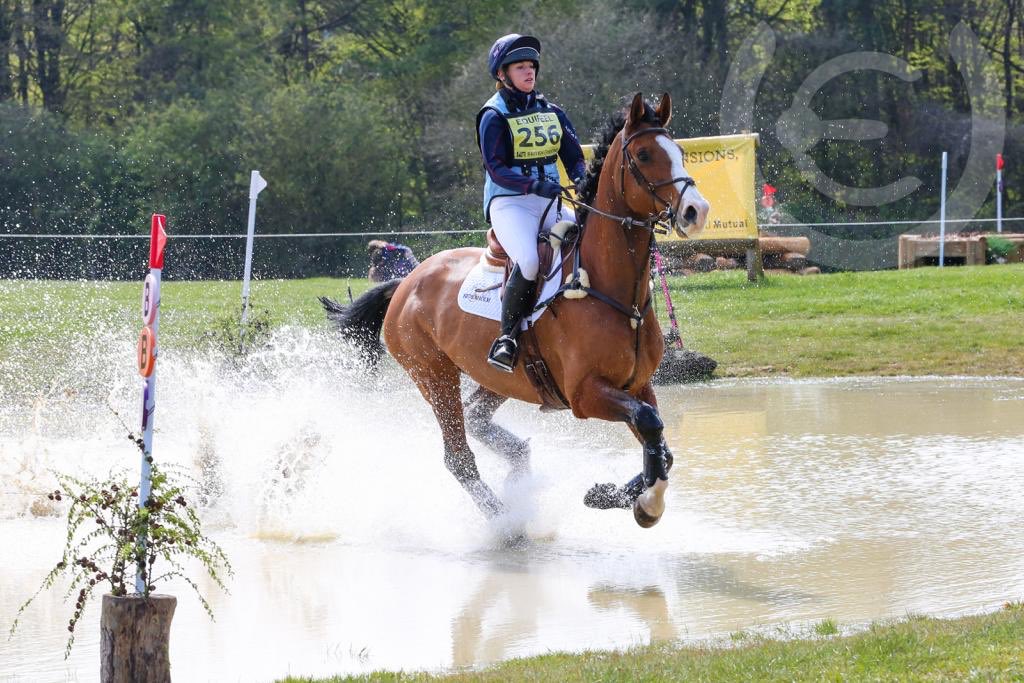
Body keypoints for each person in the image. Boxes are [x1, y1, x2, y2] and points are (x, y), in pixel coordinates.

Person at [476, 33, 587, 373]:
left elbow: (574, 159)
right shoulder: (493, 116)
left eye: (531, 67)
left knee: (588, 240)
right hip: (511, 204)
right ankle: (507, 339)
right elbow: (495, 169)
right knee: (527, 259)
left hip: (549, 201)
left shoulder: (552, 112)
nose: (529, 73)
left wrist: (583, 181)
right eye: (520, 67)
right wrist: (533, 184)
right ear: (502, 75)